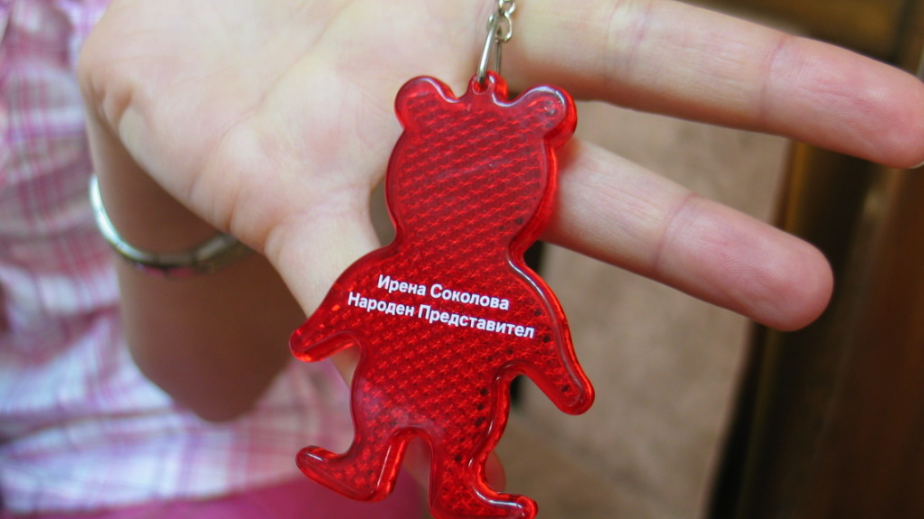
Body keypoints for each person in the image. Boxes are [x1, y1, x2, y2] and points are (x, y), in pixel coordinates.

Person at [1, 0, 922, 517]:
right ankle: (371, 459)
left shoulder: (490, 281)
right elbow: (348, 303)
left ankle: (450, 480)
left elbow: (536, 337)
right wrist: (324, 330)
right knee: (379, 427)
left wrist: (561, 377)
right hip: (84, 444)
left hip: (242, 442)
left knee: (451, 451)